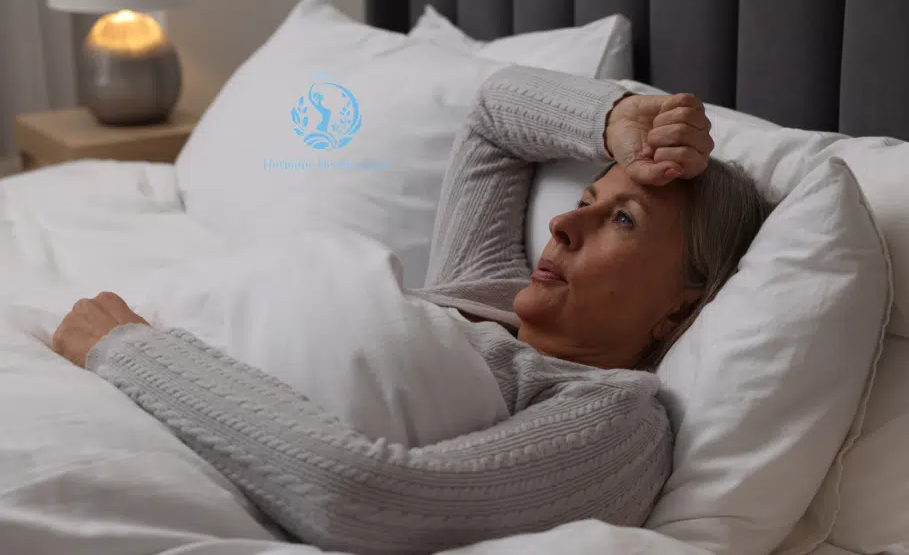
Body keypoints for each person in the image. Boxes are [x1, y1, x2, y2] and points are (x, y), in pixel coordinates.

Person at [51, 66, 771, 554]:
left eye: (623, 220)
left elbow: (366, 498)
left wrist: (133, 353)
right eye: (586, 198)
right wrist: (613, 122)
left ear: (679, 308)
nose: (562, 224)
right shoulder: (482, 284)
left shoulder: (617, 420)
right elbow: (493, 116)